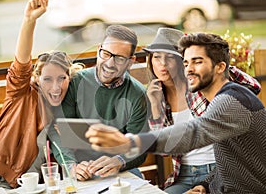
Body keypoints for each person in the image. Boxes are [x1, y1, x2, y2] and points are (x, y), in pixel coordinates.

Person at [85, 32, 266, 193]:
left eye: (198, 61)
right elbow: (227, 162)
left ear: (220, 67)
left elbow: (194, 132)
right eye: (186, 62)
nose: (189, 69)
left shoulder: (230, 101)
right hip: (209, 182)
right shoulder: (217, 102)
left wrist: (130, 142)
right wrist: (204, 184)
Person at [143, 28, 261, 193]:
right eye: (156, 57)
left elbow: (253, 86)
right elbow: (166, 150)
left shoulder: (203, 86)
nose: (162, 64)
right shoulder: (156, 95)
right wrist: (155, 106)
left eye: (169, 57)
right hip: (184, 174)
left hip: (218, 169)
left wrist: (216, 65)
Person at [0, 0, 83, 189]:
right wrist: (30, 20)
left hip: (41, 185)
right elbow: (21, 63)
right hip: (0, 182)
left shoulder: (69, 103)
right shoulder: (21, 94)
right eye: (47, 79)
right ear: (36, 79)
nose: (55, 87)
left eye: (62, 79)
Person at [49, 24, 149, 181]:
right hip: (81, 168)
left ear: (130, 62)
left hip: (118, 170)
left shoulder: (138, 95)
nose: (110, 63)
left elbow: (139, 147)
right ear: (98, 50)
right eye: (106, 54)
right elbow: (57, 131)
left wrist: (119, 161)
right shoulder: (74, 83)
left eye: (120, 58)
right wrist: (71, 166)